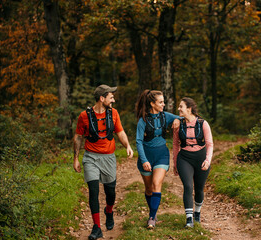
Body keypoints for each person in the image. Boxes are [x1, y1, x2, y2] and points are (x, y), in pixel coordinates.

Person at [73, 84, 134, 240]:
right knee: (93, 191)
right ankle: (97, 227)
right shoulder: (84, 116)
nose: (113, 99)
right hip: (90, 157)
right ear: (102, 98)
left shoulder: (113, 114)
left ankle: (109, 211)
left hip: (108, 157)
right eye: (111, 96)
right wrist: (76, 159)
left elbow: (120, 132)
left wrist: (127, 146)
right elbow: (78, 137)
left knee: (110, 193)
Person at [135, 90, 180, 229]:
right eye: (160, 102)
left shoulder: (165, 116)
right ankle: (153, 213)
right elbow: (138, 142)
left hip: (162, 154)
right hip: (146, 157)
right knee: (149, 189)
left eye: (163, 101)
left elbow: (185, 118)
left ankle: (152, 217)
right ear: (152, 104)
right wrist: (144, 160)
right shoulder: (143, 121)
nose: (163, 104)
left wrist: (177, 119)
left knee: (156, 184)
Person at [172, 97, 213, 228]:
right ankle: (189, 219)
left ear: (189, 109)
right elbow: (175, 145)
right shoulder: (178, 125)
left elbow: (210, 144)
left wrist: (207, 160)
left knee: (199, 188)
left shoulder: (203, 124)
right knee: (188, 186)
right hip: (184, 158)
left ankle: (197, 213)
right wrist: (175, 164)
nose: (178, 109)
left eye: (181, 106)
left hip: (201, 158)